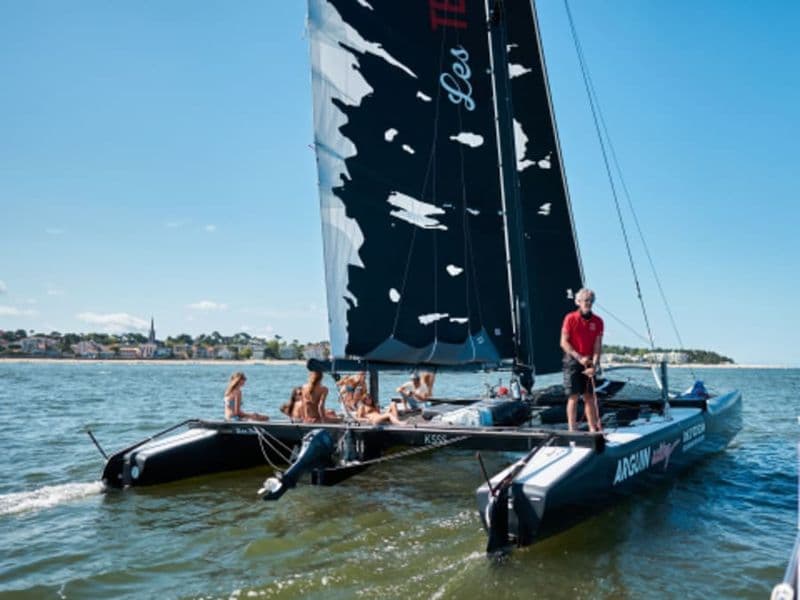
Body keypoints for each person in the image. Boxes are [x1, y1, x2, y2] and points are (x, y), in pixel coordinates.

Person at [560, 288, 604, 432]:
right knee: (573, 397)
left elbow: (597, 346)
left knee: (589, 397)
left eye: (591, 301)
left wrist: (595, 365)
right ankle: (572, 430)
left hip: (589, 362)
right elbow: (564, 342)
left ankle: (593, 428)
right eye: (585, 301)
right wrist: (579, 358)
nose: (588, 303)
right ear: (578, 302)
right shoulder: (570, 318)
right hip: (572, 360)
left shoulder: (598, 321)